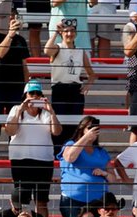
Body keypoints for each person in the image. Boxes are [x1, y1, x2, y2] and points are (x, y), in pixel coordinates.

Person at [3, 82, 62, 217]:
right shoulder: (16, 109)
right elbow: (9, 130)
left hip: (43, 160)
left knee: (41, 201)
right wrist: (19, 111)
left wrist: (52, 111)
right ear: (25, 96)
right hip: (21, 160)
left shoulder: (46, 112)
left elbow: (57, 131)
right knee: (21, 201)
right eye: (31, 94)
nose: (34, 96)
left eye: (38, 94)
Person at [0, 10, 31, 161]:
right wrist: (10, 35)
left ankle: (15, 163)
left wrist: (27, 89)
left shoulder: (20, 40)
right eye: (6, 15)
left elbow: (24, 66)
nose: (11, 18)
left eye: (13, 15)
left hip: (16, 89)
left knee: (16, 128)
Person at [45, 17, 96, 147]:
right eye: (66, 31)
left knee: (74, 126)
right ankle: (58, 153)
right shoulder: (57, 48)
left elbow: (92, 74)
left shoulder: (80, 51)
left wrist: (87, 86)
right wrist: (56, 32)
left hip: (75, 91)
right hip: (60, 89)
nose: (69, 34)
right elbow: (47, 50)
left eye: (72, 31)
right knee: (59, 124)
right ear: (62, 33)